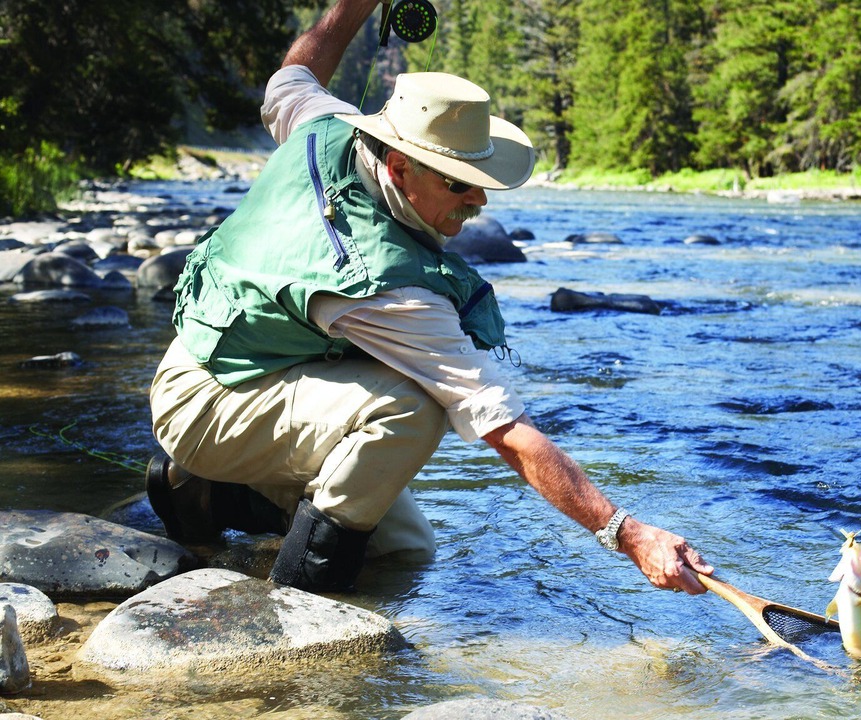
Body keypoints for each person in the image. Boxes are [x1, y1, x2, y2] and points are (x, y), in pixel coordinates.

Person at [146, 0, 713, 595]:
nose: (478, 202)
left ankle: (210, 495)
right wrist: (628, 534)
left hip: (258, 370)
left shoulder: (324, 123)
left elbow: (293, 75)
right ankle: (301, 611)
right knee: (413, 407)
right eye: (458, 184)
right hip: (204, 400)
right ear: (397, 163)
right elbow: (504, 428)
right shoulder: (385, 283)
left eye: (481, 181)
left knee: (402, 552)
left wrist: (350, 8)